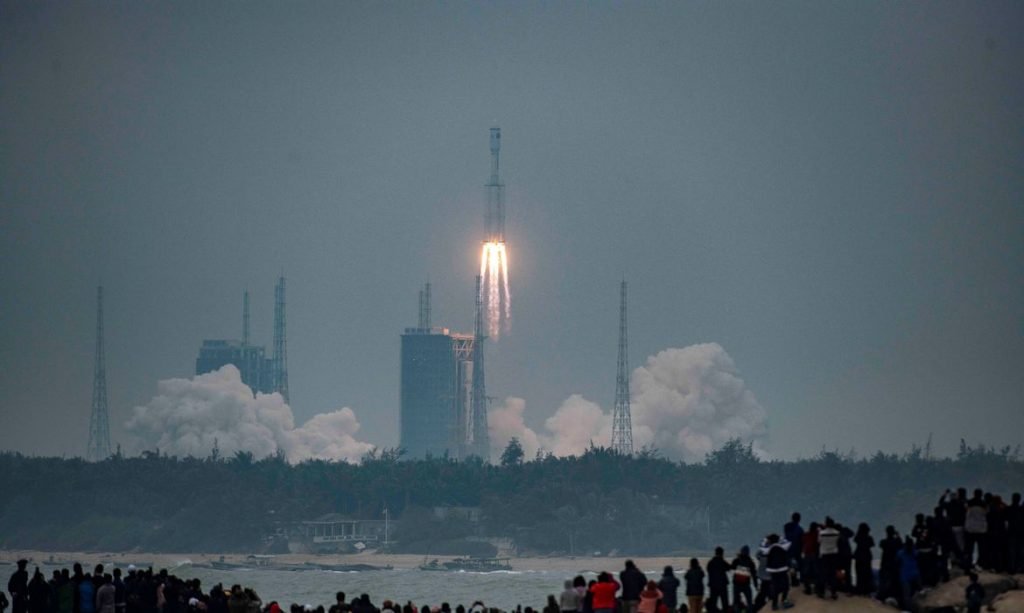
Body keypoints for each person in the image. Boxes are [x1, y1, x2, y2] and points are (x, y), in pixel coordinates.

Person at [760, 534, 793, 611]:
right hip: (783, 569)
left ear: (770, 541)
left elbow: (761, 546)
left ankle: (774, 605)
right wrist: (781, 537)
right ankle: (784, 601)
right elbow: (788, 542)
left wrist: (765, 538)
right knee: (786, 586)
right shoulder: (783, 546)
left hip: (773, 570)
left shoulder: (768, 548)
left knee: (775, 587)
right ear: (778, 540)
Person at [816, 518, 840, 599]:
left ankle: (821, 592)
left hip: (824, 554)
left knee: (823, 573)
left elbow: (819, 541)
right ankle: (834, 592)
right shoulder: (837, 533)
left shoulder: (821, 533)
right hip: (833, 554)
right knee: (833, 574)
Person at [964, 489, 987, 568]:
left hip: (970, 528)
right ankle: (981, 563)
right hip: (981, 529)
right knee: (982, 549)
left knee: (969, 549)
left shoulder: (969, 503)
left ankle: (968, 563)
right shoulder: (984, 503)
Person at [896, 537, 921, 609]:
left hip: (909, 575)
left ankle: (911, 608)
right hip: (909, 575)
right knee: (909, 594)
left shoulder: (901, 553)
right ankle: (910, 608)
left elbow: (897, 563)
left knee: (909, 594)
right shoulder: (913, 552)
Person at [730, 546, 757, 612]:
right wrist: (756, 584)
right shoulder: (750, 562)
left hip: (736, 584)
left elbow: (732, 568)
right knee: (749, 600)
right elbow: (754, 574)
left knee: (736, 601)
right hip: (746, 584)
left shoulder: (736, 560)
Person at [852, 523, 874, 595]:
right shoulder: (869, 538)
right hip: (867, 557)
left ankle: (859, 589)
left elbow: (855, 539)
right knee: (866, 574)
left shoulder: (858, 537)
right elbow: (872, 544)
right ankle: (866, 590)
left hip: (859, 557)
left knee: (859, 573)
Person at [705, 547, 730, 612]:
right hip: (722, 585)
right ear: (722, 553)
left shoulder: (711, 562)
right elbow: (729, 568)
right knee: (725, 604)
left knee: (713, 604)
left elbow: (708, 569)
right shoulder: (722, 562)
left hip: (713, 585)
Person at [783, 513, 804, 586]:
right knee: (799, 565)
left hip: (787, 549)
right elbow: (801, 540)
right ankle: (798, 580)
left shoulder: (787, 527)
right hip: (796, 549)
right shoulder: (800, 529)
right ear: (799, 519)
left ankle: (792, 580)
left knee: (790, 565)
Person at [800, 522, 819, 596]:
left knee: (806, 572)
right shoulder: (817, 534)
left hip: (807, 554)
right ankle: (817, 588)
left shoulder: (806, 534)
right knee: (816, 572)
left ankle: (807, 588)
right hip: (814, 554)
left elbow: (803, 542)